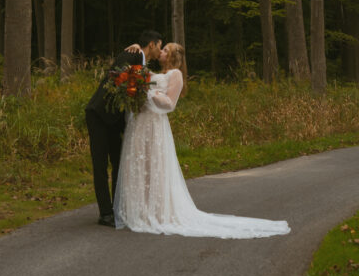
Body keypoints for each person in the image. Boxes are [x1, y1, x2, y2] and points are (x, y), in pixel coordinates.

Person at [114, 42, 290, 238]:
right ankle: (142, 209)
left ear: (172, 56)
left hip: (156, 126)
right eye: (161, 49)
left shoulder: (176, 75)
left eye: (165, 50)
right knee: (143, 165)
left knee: (156, 167)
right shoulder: (154, 73)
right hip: (142, 125)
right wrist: (137, 49)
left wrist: (150, 94)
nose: (161, 52)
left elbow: (170, 104)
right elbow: (140, 68)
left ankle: (157, 211)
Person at [86, 30, 163, 227]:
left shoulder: (142, 61)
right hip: (99, 114)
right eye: (160, 46)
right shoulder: (131, 55)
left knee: (119, 162)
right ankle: (105, 214)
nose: (160, 50)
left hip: (116, 119)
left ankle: (118, 207)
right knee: (101, 164)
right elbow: (117, 78)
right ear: (152, 45)